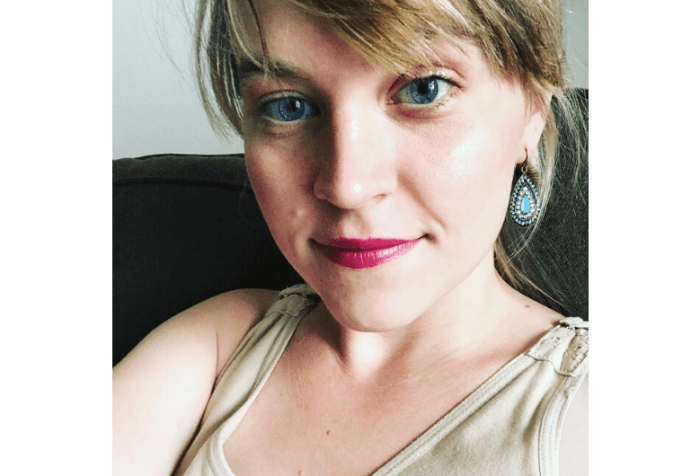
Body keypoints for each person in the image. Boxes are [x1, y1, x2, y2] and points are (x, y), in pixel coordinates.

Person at [112, 0, 589, 475]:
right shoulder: (221, 344)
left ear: (534, 106)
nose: (347, 187)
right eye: (287, 106)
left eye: (424, 90)